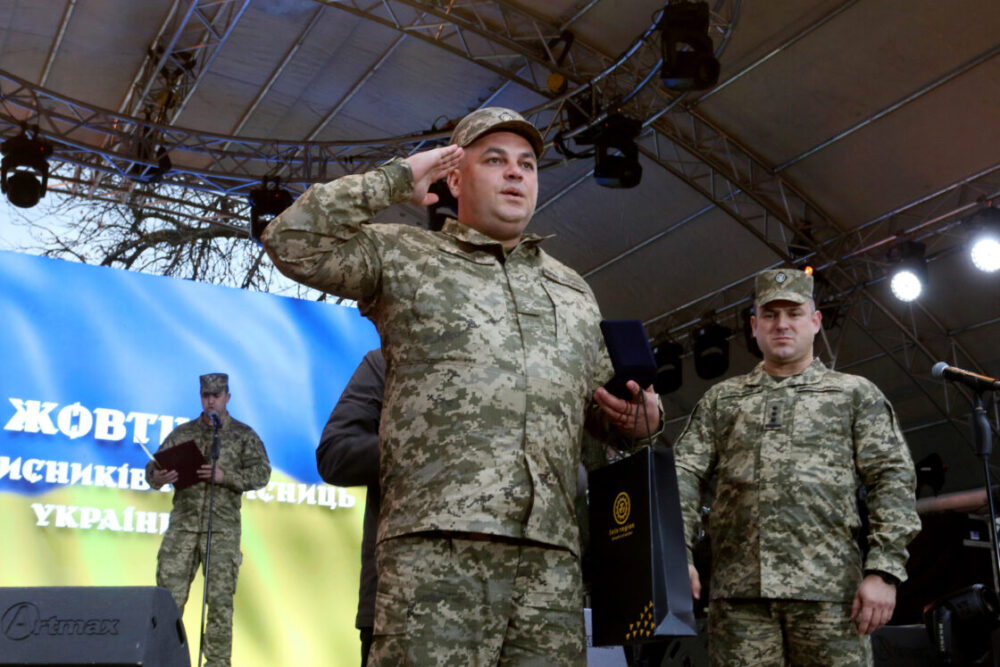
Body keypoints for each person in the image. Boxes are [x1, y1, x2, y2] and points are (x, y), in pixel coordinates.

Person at [262, 107, 661, 665]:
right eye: (494, 160)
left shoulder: (572, 291)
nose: (515, 172)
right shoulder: (405, 256)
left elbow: (602, 411)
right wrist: (398, 178)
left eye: (526, 164)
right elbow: (291, 240)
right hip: (434, 556)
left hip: (549, 566)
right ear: (454, 177)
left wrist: (641, 421)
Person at [673, 268, 921, 666]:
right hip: (741, 600)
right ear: (754, 327)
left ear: (816, 321)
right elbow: (682, 475)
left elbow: (891, 477)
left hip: (832, 596)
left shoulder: (853, 394)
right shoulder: (723, 400)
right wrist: (676, 556)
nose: (782, 324)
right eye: (770, 315)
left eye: (794, 313)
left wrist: (885, 570)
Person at [145, 373, 271, 667]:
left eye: (216, 395)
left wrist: (226, 477)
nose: (211, 401)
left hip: (222, 532)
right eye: (206, 395)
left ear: (227, 397)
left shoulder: (244, 435)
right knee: (167, 602)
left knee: (219, 604)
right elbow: (153, 468)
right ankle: (163, 661)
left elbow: (262, 474)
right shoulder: (183, 433)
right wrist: (158, 476)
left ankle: (216, 663)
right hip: (183, 529)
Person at [316, 348, 385, 667]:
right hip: (400, 603)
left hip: (521, 606)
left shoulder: (531, 358)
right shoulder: (390, 360)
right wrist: (414, 443)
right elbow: (335, 454)